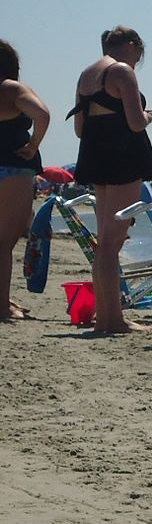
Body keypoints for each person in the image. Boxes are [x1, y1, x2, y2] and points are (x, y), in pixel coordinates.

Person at [67, 25, 152, 333]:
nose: (136, 62)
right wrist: (148, 116)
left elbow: (80, 128)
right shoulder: (121, 72)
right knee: (111, 243)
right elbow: (134, 123)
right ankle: (114, 320)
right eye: (138, 54)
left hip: (95, 154)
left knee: (104, 241)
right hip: (122, 157)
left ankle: (105, 318)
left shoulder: (86, 74)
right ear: (132, 45)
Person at [0, 40, 50, 322]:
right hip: (13, 168)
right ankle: (2, 308)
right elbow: (41, 114)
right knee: (4, 242)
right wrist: (33, 146)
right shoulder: (12, 89)